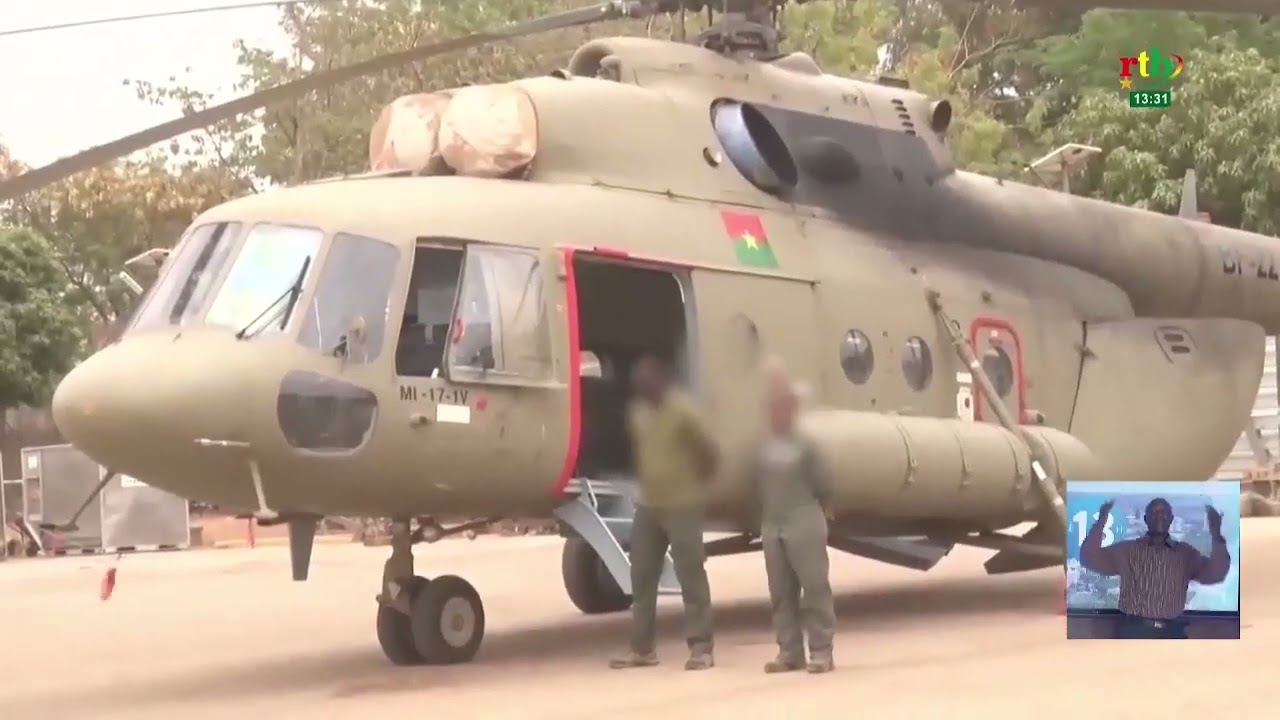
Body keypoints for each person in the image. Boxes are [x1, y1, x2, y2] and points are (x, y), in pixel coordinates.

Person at [610, 354, 719, 671]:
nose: (640, 388)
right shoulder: (637, 413)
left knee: (690, 575)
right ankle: (642, 648)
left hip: (682, 505)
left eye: (646, 382)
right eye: (637, 384)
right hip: (649, 505)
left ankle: (701, 647)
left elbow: (709, 452)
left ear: (661, 381)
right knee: (641, 574)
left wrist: (696, 489)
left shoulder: (683, 409)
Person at [747, 360, 836, 673]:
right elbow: (755, 485)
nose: (776, 411)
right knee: (781, 594)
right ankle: (789, 651)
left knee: (814, 589)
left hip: (804, 523)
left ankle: (822, 651)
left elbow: (825, 486)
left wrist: (817, 518)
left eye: (782, 405)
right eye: (772, 405)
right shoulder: (761, 445)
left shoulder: (807, 445)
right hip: (773, 526)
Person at [1080, 497, 1230, 639]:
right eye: (1154, 512)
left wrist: (1216, 535)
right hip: (1134, 632)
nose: (1160, 515)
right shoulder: (1127, 551)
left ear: (1171, 519)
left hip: (1172, 632)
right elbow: (1089, 557)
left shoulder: (1186, 554)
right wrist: (1101, 521)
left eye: (1164, 512)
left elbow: (1216, 574)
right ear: (1145, 519)